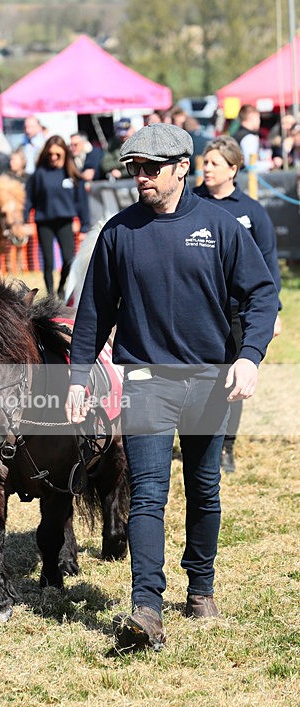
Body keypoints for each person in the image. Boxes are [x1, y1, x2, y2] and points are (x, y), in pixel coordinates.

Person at [65, 123, 278, 652]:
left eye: (151, 169)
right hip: (145, 380)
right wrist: (74, 378)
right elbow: (93, 312)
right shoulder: (118, 233)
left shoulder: (222, 227)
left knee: (204, 489)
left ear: (182, 167)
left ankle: (201, 588)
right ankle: (146, 607)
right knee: (148, 494)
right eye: (134, 169)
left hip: (210, 382)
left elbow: (262, 294)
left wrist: (249, 357)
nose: (141, 178)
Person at [193, 135, 282, 472]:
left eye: (215, 163)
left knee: (234, 372)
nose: (208, 169)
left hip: (237, 310)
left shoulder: (250, 211)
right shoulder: (191, 202)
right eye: (206, 162)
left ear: (233, 168)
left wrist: (273, 312)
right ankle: (195, 435)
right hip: (200, 306)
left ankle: (225, 446)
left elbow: (268, 266)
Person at [25, 134, 90, 297]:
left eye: (57, 154)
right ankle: (51, 295)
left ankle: (61, 287)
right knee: (48, 261)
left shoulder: (71, 173)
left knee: (69, 259)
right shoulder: (39, 174)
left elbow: (81, 201)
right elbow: (29, 199)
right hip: (44, 221)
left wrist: (84, 226)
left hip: (65, 221)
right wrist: (23, 219)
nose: (54, 158)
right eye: (50, 154)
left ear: (64, 153)